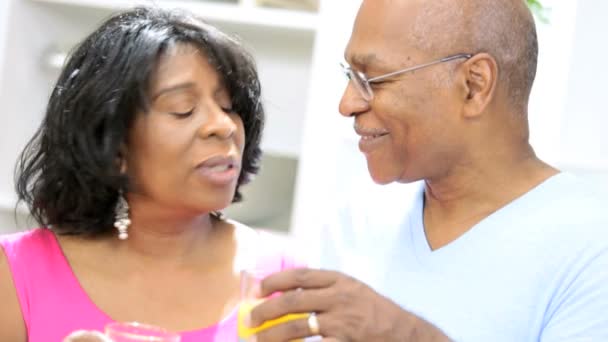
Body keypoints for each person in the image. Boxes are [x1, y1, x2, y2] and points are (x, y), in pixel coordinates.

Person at [245, 0, 608, 341]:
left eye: (374, 80)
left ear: (474, 85)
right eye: (350, 75)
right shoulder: (361, 218)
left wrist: (405, 334)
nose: (347, 103)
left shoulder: (591, 248)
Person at [0, 7, 302, 342]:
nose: (224, 125)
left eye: (229, 106)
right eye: (183, 109)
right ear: (114, 147)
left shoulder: (278, 274)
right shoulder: (15, 272)